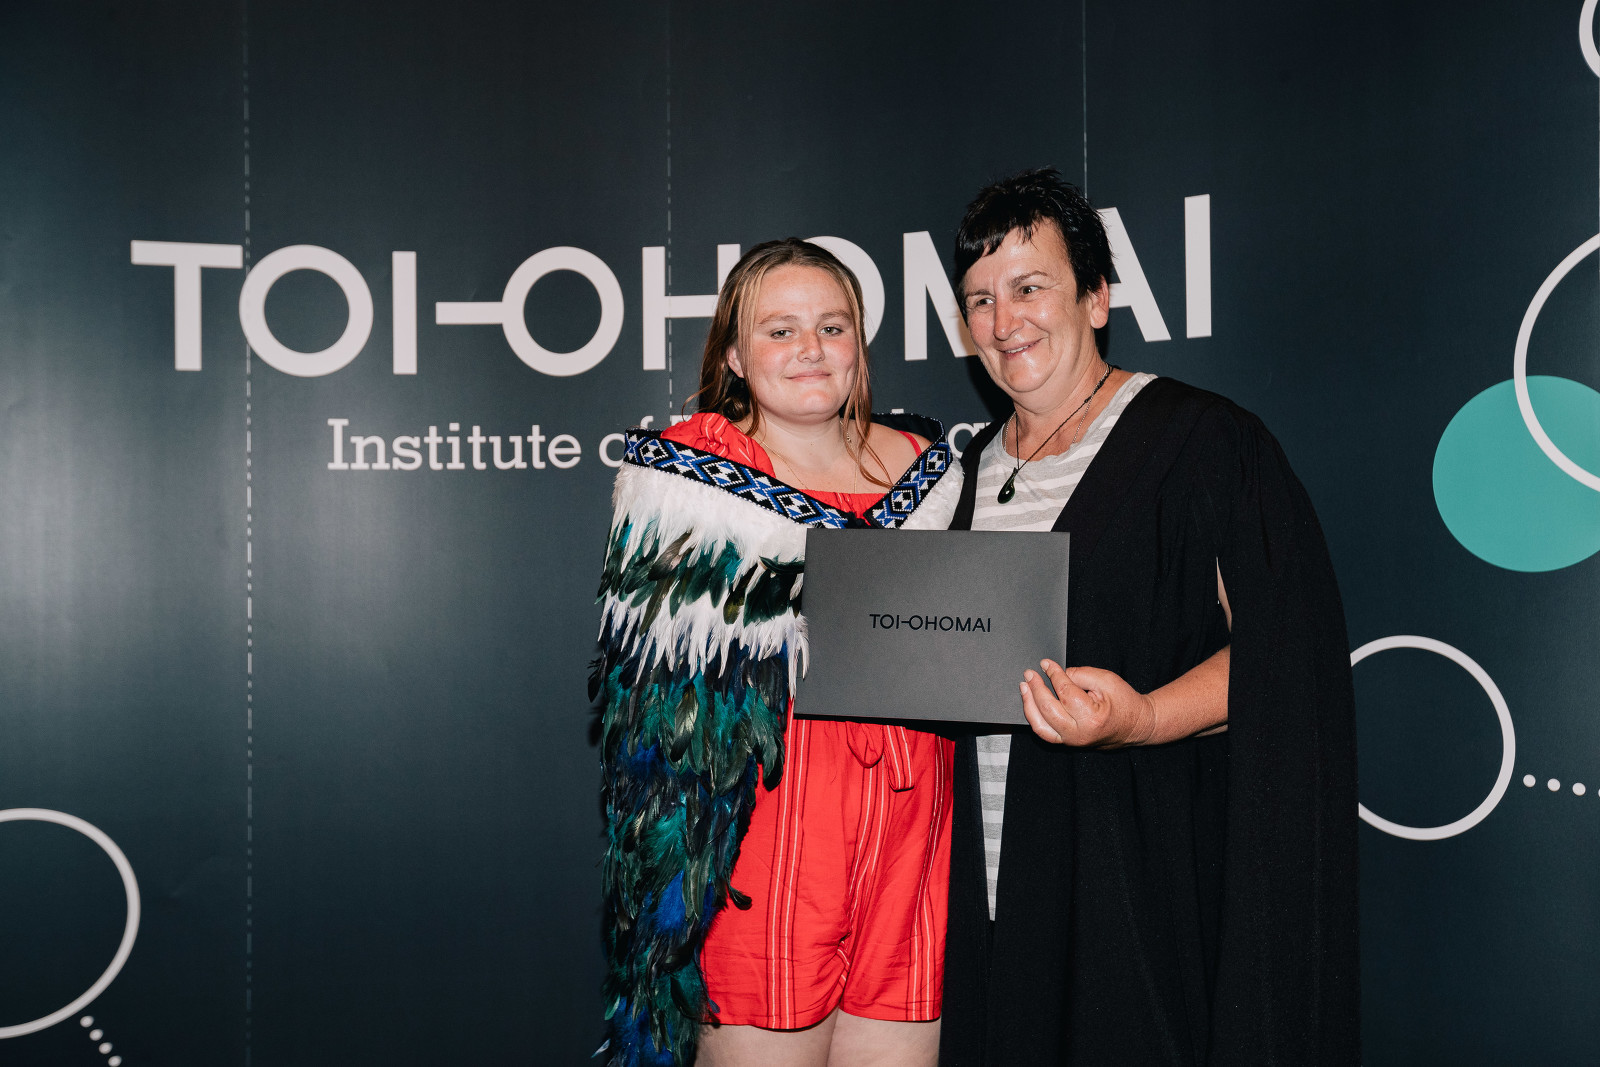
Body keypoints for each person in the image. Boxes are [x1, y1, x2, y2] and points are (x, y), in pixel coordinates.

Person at [937, 169, 1359, 1065]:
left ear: (1096, 297)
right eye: (980, 300)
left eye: (1029, 287)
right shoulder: (954, 480)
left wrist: (1143, 717)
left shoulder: (1205, 442)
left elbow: (1287, 656)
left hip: (1135, 890)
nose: (1004, 321)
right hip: (985, 908)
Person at [593, 238, 965, 1067]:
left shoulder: (932, 472)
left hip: (913, 842)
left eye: (833, 327)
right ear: (734, 353)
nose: (811, 349)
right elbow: (653, 714)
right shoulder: (690, 479)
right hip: (765, 841)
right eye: (780, 330)